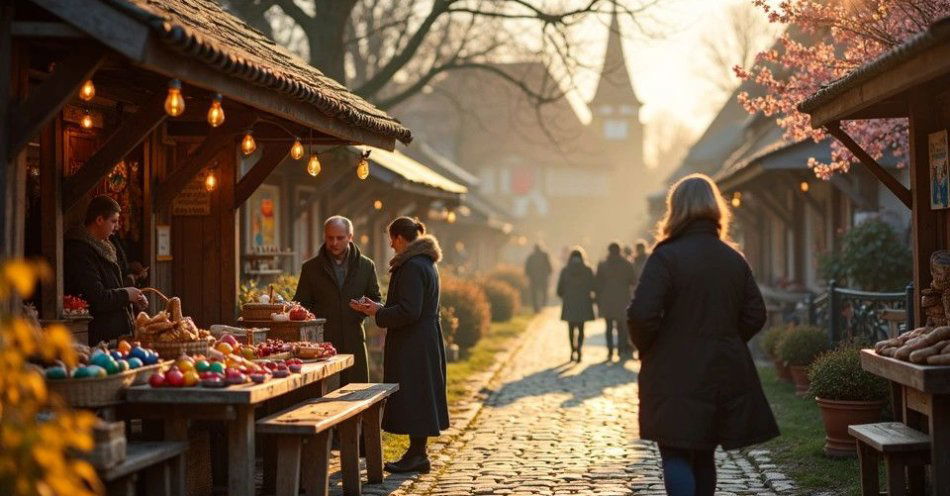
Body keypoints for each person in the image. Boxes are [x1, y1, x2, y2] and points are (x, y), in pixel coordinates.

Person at [627, 174, 779, 496]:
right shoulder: (733, 259)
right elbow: (755, 314)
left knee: (675, 450)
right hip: (719, 369)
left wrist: (652, 347)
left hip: (672, 370)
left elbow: (641, 314)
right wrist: (724, 337)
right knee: (704, 451)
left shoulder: (665, 257)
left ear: (675, 209)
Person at [351, 217, 449, 474]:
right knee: (419, 393)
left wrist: (377, 313)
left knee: (416, 394)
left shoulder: (413, 265)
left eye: (391, 240)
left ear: (399, 238)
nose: (391, 246)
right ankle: (417, 453)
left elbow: (409, 311)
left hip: (414, 342)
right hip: (421, 339)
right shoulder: (423, 262)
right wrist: (380, 309)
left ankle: (417, 455)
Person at [293, 216, 381, 386]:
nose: (334, 242)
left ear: (350, 237)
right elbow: (301, 304)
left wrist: (365, 307)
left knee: (357, 393)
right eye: (330, 238)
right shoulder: (310, 268)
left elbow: (376, 299)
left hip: (354, 341)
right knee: (323, 397)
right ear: (325, 237)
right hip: (322, 346)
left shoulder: (366, 266)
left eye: (340, 238)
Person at [64, 195, 147, 344]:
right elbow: (97, 298)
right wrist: (127, 294)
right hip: (98, 337)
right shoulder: (80, 251)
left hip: (115, 335)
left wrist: (133, 297)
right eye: (113, 221)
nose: (117, 227)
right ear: (99, 220)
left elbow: (113, 288)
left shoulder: (107, 248)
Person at [595, 242, 637, 362]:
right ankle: (621, 350)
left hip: (607, 300)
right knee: (621, 327)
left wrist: (598, 300)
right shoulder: (627, 264)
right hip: (622, 300)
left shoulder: (602, 265)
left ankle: (609, 351)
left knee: (608, 327)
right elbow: (633, 281)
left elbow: (597, 284)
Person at [556, 247, 595, 362]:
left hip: (570, 303)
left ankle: (572, 349)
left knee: (571, 329)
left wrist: (565, 297)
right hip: (583, 303)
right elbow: (593, 286)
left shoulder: (565, 270)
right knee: (581, 328)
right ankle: (579, 349)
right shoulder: (587, 270)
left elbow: (559, 289)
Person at [524, 243, 553, 312]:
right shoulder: (545, 255)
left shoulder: (531, 257)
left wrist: (528, 275)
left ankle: (536, 308)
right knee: (544, 291)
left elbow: (527, 268)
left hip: (533, 278)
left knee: (534, 293)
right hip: (543, 278)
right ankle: (543, 305)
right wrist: (549, 273)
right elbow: (549, 266)